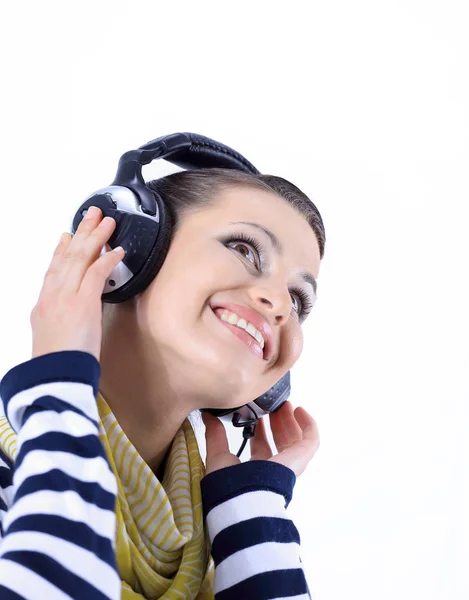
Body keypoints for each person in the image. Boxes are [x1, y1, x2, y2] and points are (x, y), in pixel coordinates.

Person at [0, 167, 326, 599]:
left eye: (299, 299)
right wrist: (58, 379)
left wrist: (252, 515)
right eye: (245, 249)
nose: (281, 305)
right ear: (129, 250)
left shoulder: (220, 543)